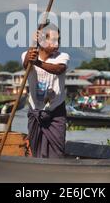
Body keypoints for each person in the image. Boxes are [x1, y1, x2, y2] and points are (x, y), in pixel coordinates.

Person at [22, 23, 69, 158]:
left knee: (58, 151)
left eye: (58, 40)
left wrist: (38, 63)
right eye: (53, 40)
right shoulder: (27, 55)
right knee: (35, 149)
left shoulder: (62, 56)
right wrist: (32, 48)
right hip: (35, 110)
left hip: (56, 111)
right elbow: (26, 64)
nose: (57, 44)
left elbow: (59, 69)